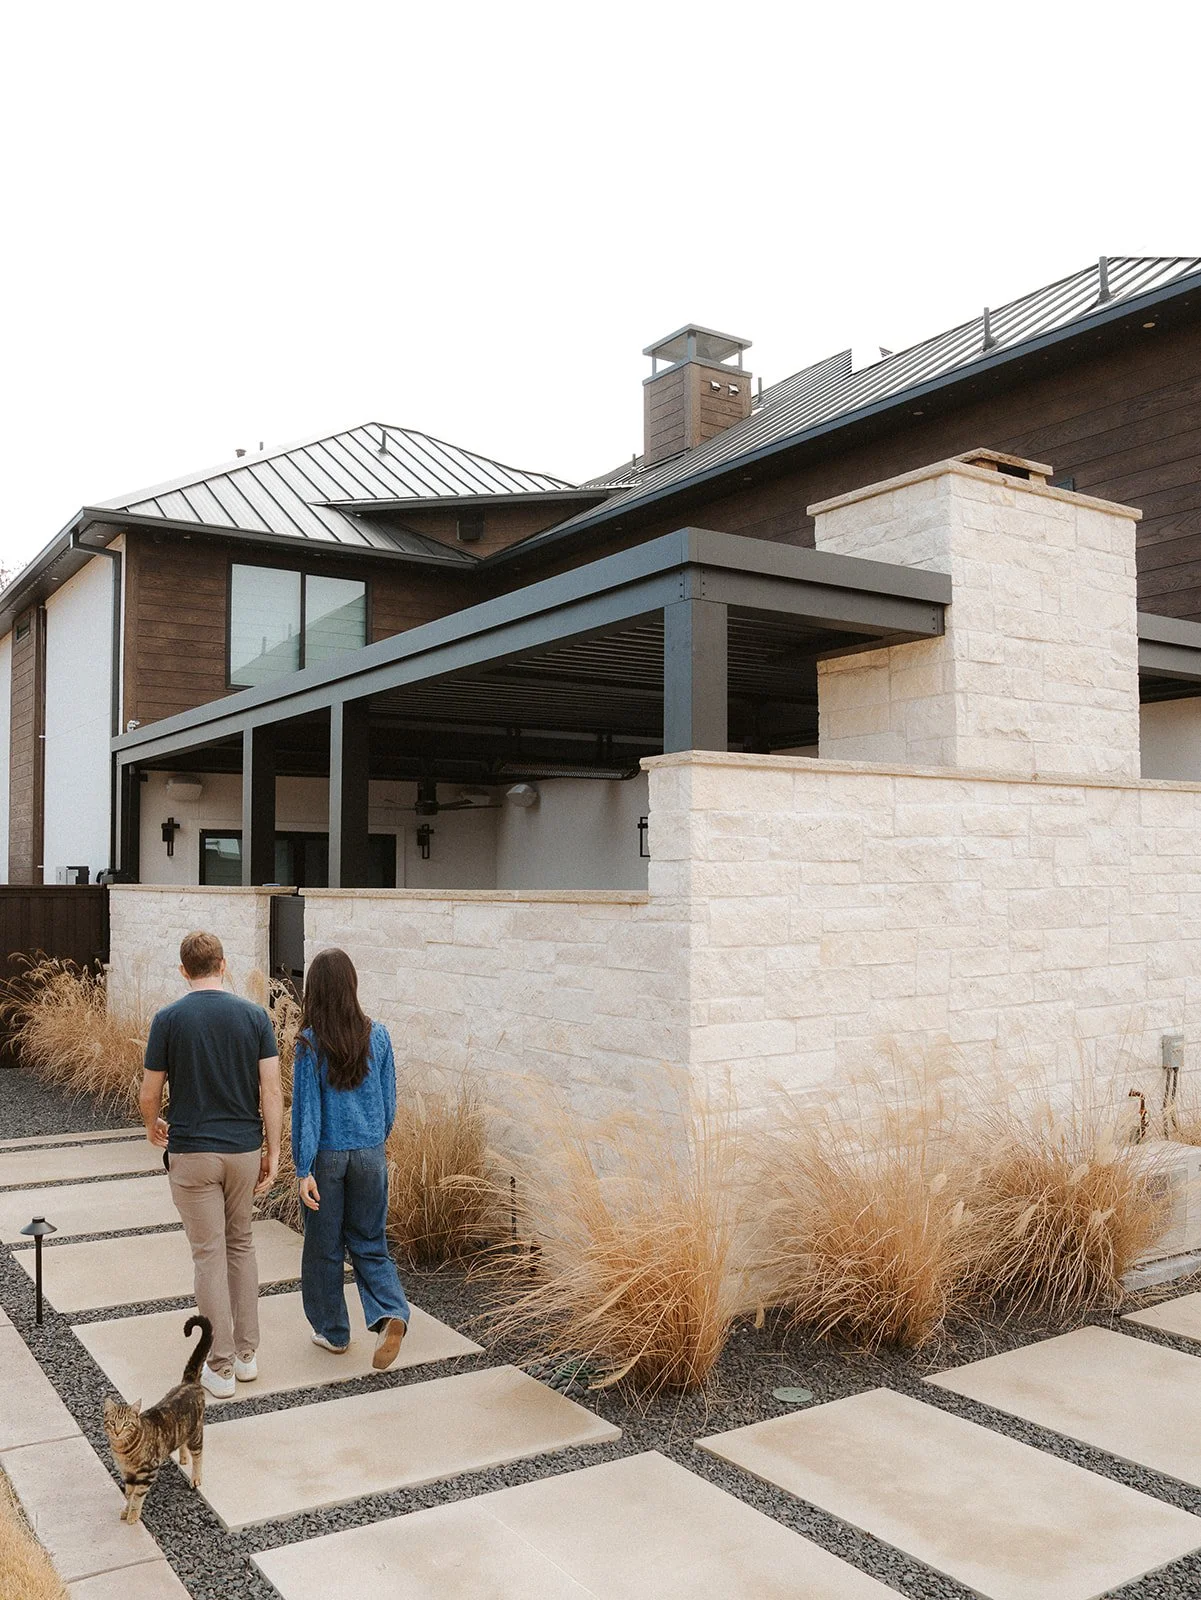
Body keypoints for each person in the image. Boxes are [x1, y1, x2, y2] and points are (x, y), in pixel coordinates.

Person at [140, 931, 282, 1399]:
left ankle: (218, 1368)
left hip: (193, 1153)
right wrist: (274, 1150)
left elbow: (149, 1091)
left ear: (184, 971)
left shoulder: (168, 1019)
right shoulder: (255, 1016)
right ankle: (246, 1356)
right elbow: (272, 1090)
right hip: (243, 1151)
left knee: (208, 1254)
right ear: (224, 964)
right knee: (241, 1246)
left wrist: (150, 1125)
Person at [291, 947, 409, 1369]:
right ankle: (390, 1311)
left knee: (323, 1246)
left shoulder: (309, 1044)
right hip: (370, 1154)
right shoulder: (378, 1035)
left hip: (327, 1158)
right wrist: (375, 1142)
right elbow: (389, 1102)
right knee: (369, 1241)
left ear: (314, 992)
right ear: (352, 987)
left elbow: (307, 1111)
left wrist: (303, 1168)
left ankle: (333, 1332)